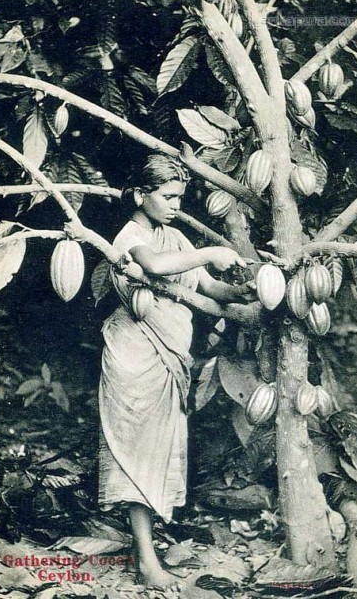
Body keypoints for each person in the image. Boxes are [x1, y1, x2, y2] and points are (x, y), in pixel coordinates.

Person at [98, 154, 249, 589]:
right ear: (140, 195)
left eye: (179, 198)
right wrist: (214, 250)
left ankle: (150, 555)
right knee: (136, 453)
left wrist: (244, 287)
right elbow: (154, 267)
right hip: (134, 355)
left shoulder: (178, 238)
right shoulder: (130, 236)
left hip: (170, 357)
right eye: (166, 197)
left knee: (159, 450)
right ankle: (147, 563)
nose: (174, 205)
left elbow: (212, 289)